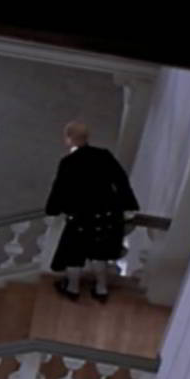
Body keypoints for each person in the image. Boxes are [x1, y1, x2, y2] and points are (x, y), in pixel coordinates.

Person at [45, 121, 140, 303]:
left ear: (69, 138)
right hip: (106, 215)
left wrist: (53, 209)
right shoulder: (103, 155)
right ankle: (101, 289)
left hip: (81, 216)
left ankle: (72, 289)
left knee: (74, 255)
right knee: (99, 254)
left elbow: (59, 189)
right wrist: (129, 205)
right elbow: (121, 180)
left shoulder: (68, 162)